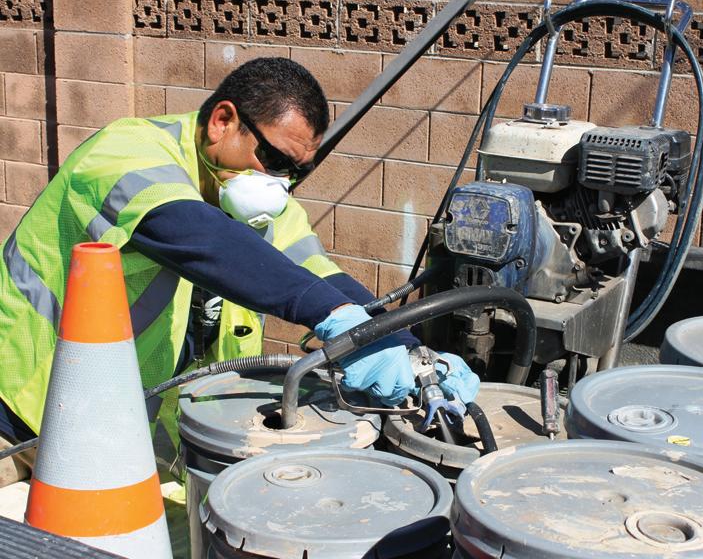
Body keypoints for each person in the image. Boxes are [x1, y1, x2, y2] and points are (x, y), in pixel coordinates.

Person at [0, 57, 478, 487]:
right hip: (30, 405)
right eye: (274, 160)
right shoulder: (125, 152)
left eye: (294, 171)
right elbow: (195, 234)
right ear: (223, 121)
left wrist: (407, 349)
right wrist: (331, 316)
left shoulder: (253, 202)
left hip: (119, 421)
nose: (280, 183)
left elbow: (317, 275)